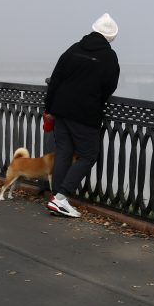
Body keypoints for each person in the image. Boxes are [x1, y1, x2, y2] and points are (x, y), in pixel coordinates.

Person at [43, 13, 120, 217]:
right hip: (85, 114)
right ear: (111, 36)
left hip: (61, 110)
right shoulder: (109, 57)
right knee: (88, 154)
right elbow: (109, 87)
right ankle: (61, 198)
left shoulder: (74, 49)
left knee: (64, 152)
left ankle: (56, 198)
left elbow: (56, 78)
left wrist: (49, 109)